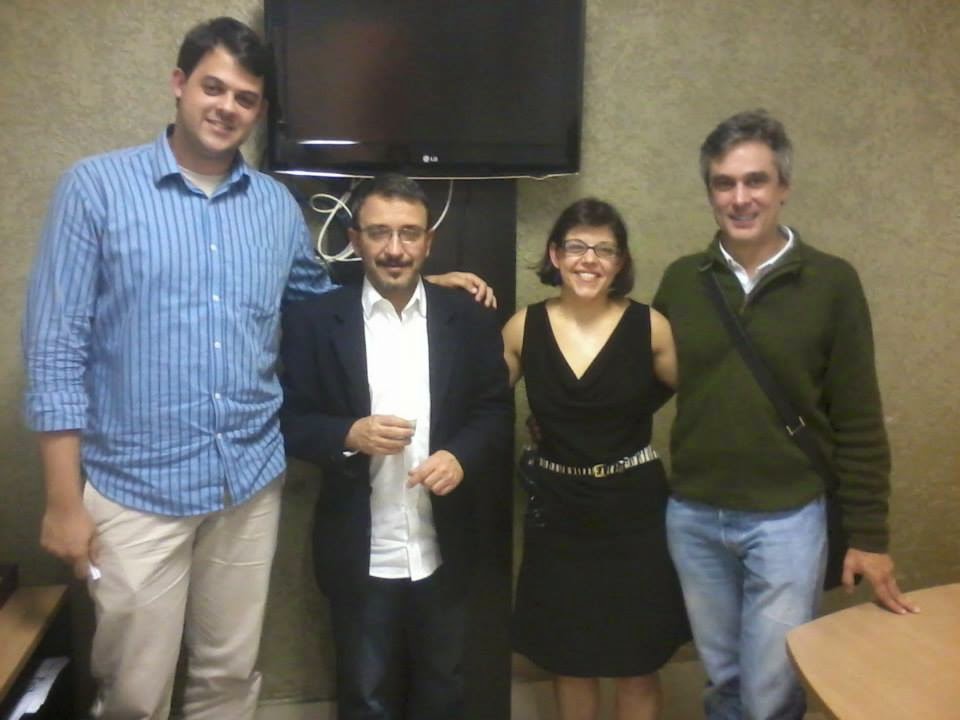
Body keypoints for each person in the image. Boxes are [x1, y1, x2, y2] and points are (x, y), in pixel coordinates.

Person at [22, 18, 494, 720]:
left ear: (260, 110)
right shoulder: (96, 190)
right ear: (179, 84)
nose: (227, 108)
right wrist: (63, 501)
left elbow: (316, 300)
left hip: (246, 484)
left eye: (245, 98)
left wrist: (418, 285)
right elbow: (55, 351)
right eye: (212, 88)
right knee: (134, 692)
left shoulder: (274, 206)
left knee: (230, 675)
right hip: (136, 487)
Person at [652, 109, 917, 720]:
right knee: (722, 679)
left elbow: (858, 418)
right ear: (710, 192)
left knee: (771, 687)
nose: (740, 198)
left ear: (784, 187)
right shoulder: (684, 280)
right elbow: (638, 379)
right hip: (693, 514)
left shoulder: (831, 282)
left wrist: (870, 536)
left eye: (756, 181)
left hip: (786, 520)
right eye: (724, 183)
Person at [278, 173, 513, 720]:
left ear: (429, 242)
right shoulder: (315, 321)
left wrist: (461, 456)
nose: (394, 249)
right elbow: (289, 419)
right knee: (366, 696)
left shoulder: (468, 318)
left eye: (409, 233)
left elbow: (495, 411)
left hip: (444, 546)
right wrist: (347, 434)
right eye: (379, 232)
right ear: (355, 240)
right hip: (359, 549)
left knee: (444, 690)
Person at [502, 198, 690, 720]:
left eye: (604, 250)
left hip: (634, 512)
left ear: (620, 261)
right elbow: (476, 402)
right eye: (577, 247)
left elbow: (705, 398)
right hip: (557, 511)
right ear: (555, 255)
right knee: (571, 661)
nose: (590, 260)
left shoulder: (651, 327)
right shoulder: (522, 328)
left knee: (637, 663)